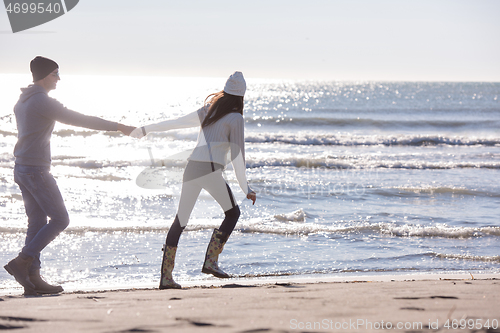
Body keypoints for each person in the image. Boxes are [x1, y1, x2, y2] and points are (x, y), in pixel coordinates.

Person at [3, 56, 136, 295]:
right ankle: (22, 262)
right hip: (35, 170)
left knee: (36, 223)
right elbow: (80, 119)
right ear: (44, 76)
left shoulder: (23, 100)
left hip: (22, 167)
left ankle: (32, 278)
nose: (58, 78)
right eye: (55, 73)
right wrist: (120, 126)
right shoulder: (42, 101)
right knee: (60, 220)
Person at [131, 71, 256, 289]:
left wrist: (146, 129)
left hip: (191, 169)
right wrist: (245, 187)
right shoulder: (236, 119)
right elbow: (238, 156)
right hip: (209, 171)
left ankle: (166, 277)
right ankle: (211, 262)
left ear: (225, 92)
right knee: (233, 213)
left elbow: (176, 123)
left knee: (180, 221)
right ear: (241, 97)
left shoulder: (209, 110)